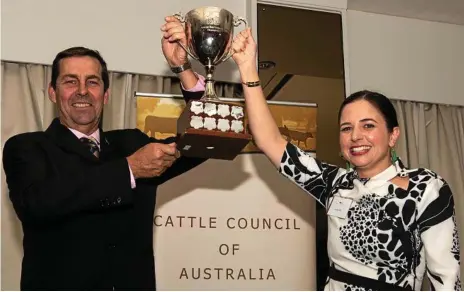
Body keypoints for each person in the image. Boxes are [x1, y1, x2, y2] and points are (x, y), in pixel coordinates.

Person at [161, 17, 462, 291]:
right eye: (346, 128)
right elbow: (270, 141)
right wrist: (248, 70)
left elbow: (446, 278)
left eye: (368, 126)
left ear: (393, 135)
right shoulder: (336, 184)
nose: (356, 136)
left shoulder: (425, 188)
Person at [2, 46, 206, 290]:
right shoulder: (27, 147)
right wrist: (129, 169)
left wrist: (183, 70)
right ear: (52, 93)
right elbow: (37, 203)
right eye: (70, 81)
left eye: (92, 82)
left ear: (106, 94)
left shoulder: (132, 143)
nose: (82, 91)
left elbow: (203, 140)